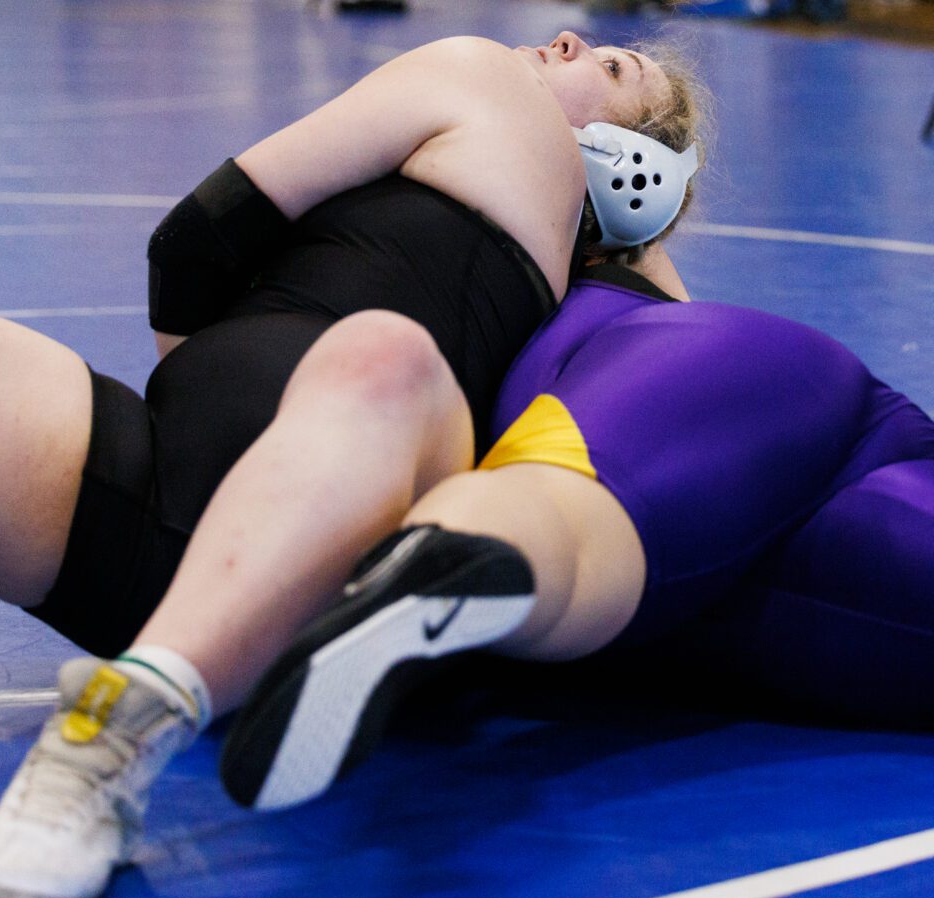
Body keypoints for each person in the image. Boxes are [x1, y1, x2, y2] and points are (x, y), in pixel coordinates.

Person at [0, 31, 693, 898]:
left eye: (612, 67)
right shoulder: (537, 196)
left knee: (382, 355)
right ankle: (196, 640)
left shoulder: (490, 88)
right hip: (168, 506)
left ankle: (109, 738)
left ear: (632, 164)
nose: (567, 37)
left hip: (331, 521)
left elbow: (195, 242)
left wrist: (216, 380)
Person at [218, 188, 934, 811]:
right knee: (565, 506)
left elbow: (192, 265)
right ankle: (439, 571)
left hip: (668, 535)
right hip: (712, 377)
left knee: (585, 536)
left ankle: (430, 574)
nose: (566, 42)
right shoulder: (515, 151)